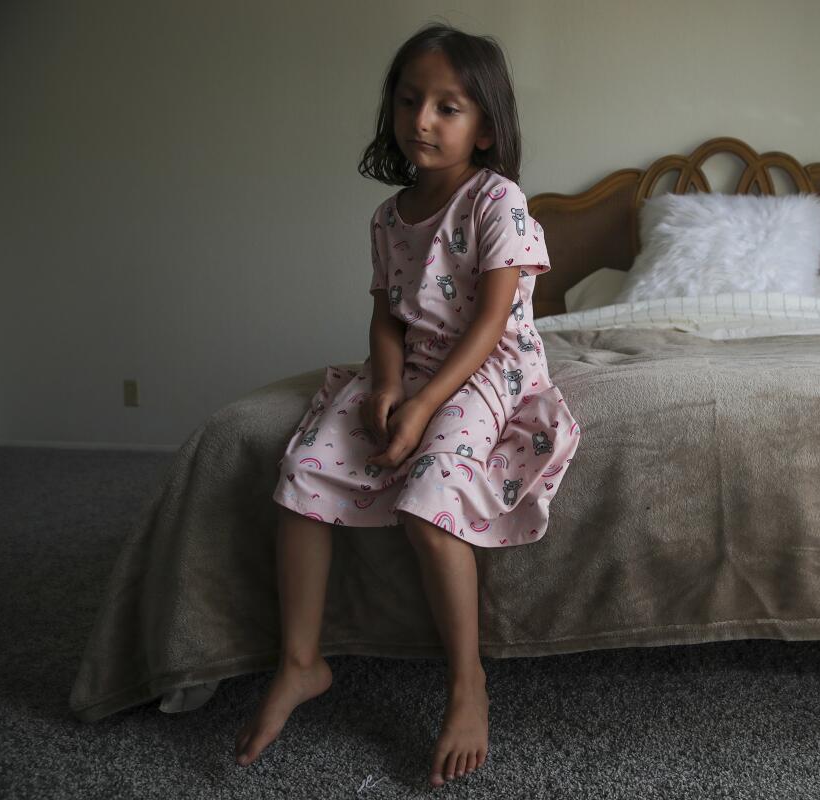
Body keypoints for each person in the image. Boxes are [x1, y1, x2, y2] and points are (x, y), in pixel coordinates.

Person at [234, 22, 581, 789]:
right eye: (409, 100)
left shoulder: (498, 199)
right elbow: (387, 315)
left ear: (486, 127)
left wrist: (424, 408)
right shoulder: (390, 217)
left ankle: (468, 686)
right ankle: (301, 662)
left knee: (429, 505)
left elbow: (490, 322)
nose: (422, 119)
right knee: (303, 476)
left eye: (447, 107)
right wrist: (387, 386)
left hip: (484, 369)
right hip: (415, 364)